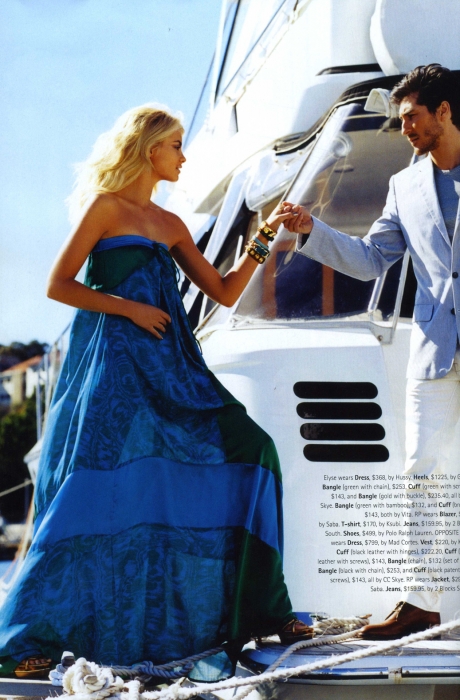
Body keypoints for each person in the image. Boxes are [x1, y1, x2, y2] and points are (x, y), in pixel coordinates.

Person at [0, 104, 312, 680]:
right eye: (176, 145)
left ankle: (266, 608)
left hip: (174, 370)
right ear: (149, 149)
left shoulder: (171, 225)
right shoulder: (104, 207)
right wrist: (129, 308)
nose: (183, 157)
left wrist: (266, 236)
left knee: (254, 450)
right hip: (114, 373)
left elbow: (223, 290)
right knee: (87, 488)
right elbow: (57, 284)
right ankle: (26, 636)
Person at [283, 63, 460, 640]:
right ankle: (421, 604)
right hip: (435, 351)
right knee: (420, 476)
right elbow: (369, 260)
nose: (404, 128)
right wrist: (311, 230)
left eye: (412, 117)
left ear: (444, 112)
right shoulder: (404, 186)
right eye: (401, 119)